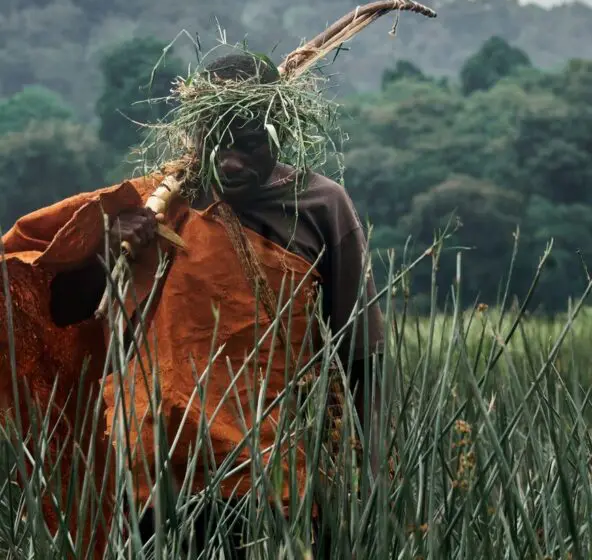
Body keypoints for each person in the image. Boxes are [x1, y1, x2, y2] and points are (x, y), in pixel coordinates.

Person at [1, 52, 384, 558]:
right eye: (216, 144)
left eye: (248, 146)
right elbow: (58, 306)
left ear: (281, 133)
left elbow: (361, 353)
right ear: (192, 134)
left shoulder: (319, 205)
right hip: (152, 470)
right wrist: (106, 247)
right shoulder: (151, 204)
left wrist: (372, 474)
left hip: (269, 470)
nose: (230, 162)